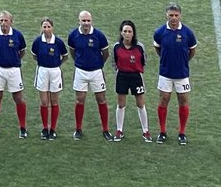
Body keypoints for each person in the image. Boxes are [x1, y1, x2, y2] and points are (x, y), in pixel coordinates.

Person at [153, 2, 197, 145]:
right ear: (166, 15)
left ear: (180, 16)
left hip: (182, 74)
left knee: (183, 101)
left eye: (176, 15)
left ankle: (182, 133)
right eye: (171, 15)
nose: (173, 18)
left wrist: (182, 62)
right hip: (165, 73)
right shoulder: (159, 32)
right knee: (164, 100)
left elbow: (192, 51)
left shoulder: (188, 33)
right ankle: (162, 131)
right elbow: (158, 49)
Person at [67, 10, 113, 141]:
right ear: (79, 21)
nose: (86, 23)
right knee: (80, 100)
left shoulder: (99, 36)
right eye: (83, 21)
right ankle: (78, 129)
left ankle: (105, 130)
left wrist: (98, 64)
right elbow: (72, 51)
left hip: (96, 72)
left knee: (101, 100)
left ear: (91, 21)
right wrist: (80, 62)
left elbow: (105, 53)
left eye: (88, 21)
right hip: (80, 72)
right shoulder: (73, 35)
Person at [0, 9, 28, 138]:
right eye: (1, 20)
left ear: (11, 22)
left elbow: (22, 51)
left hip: (14, 70)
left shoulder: (18, 35)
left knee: (18, 98)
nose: (3, 23)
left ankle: (23, 127)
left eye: (6, 20)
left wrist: (13, 60)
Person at [112, 19, 151, 142]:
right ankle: (119, 130)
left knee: (140, 104)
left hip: (136, 77)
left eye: (129, 31)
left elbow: (144, 61)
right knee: (121, 104)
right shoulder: (116, 47)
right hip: (122, 76)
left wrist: (136, 70)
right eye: (125, 31)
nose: (127, 33)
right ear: (121, 33)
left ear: (133, 33)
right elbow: (114, 62)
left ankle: (145, 131)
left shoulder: (140, 47)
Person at [30, 17, 67, 139]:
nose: (46, 29)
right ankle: (45, 128)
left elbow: (65, 56)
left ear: (52, 27)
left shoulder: (58, 42)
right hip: (42, 71)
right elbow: (35, 55)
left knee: (54, 101)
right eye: (44, 27)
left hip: (55, 72)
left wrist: (56, 65)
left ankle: (53, 129)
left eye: (49, 26)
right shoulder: (37, 42)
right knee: (44, 102)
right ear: (41, 28)